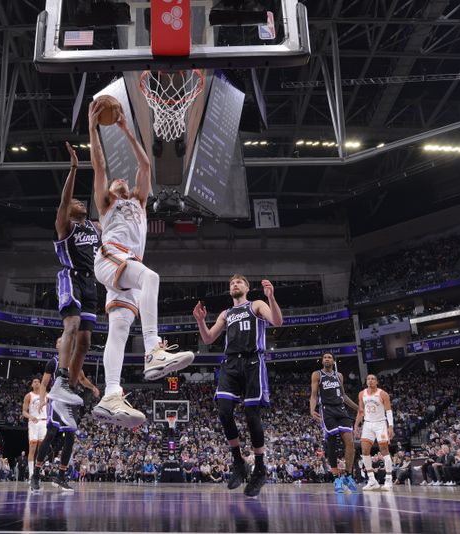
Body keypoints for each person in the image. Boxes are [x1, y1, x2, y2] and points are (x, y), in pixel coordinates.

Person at [87, 99, 195, 427]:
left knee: (118, 331)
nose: (120, 180)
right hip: (112, 255)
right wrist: (93, 130)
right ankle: (153, 350)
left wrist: (126, 130)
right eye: (116, 182)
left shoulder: (139, 201)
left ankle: (111, 395)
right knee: (152, 278)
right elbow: (100, 168)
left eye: (124, 181)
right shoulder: (108, 203)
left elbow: (146, 166)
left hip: (125, 268)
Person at [193, 274, 283, 497]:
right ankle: (238, 462)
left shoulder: (257, 305)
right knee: (224, 411)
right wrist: (201, 321)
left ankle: (260, 468)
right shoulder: (226, 313)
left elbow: (277, 321)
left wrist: (271, 298)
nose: (235, 284)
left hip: (253, 361)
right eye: (232, 283)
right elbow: (208, 339)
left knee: (252, 416)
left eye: (239, 282)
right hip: (231, 362)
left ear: (247, 287)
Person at [47, 142, 102, 410]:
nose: (79, 202)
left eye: (82, 201)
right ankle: (58, 378)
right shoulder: (64, 225)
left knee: (86, 340)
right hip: (71, 277)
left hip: (92, 282)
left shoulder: (95, 227)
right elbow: (65, 200)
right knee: (71, 325)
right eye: (75, 202)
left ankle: (68, 386)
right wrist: (74, 168)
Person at [31, 345, 100, 493]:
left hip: (70, 404)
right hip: (56, 401)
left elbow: (81, 379)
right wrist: (42, 399)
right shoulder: (53, 362)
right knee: (50, 434)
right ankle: (35, 475)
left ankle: (61, 477)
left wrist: (93, 387)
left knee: (70, 439)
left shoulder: (76, 364)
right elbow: (43, 384)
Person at [309, 353, 360, 493]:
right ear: (322, 361)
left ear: (333, 361)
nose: (327, 359)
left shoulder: (339, 376)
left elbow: (343, 396)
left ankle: (348, 475)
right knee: (332, 443)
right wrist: (312, 410)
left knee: (350, 442)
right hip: (327, 409)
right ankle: (336, 477)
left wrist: (358, 408)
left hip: (341, 409)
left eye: (329, 357)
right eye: (325, 357)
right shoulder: (317, 374)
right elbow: (313, 395)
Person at [354, 374, 395, 491]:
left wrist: (390, 427)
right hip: (367, 424)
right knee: (365, 451)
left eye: (373, 379)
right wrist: (356, 425)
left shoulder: (383, 394)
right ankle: (372, 480)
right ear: (366, 381)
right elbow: (361, 411)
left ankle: (388, 479)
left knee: (384, 450)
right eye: (368, 379)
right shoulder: (362, 394)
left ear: (376, 381)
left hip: (381, 423)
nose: (370, 381)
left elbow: (389, 411)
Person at [22, 378, 47, 479]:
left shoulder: (46, 395)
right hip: (33, 422)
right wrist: (30, 416)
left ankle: (38, 471)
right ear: (32, 384)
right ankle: (31, 474)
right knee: (32, 447)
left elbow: (50, 408)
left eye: (38, 382)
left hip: (44, 421)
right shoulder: (29, 396)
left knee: (42, 449)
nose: (37, 383)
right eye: (35, 382)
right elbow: (24, 411)